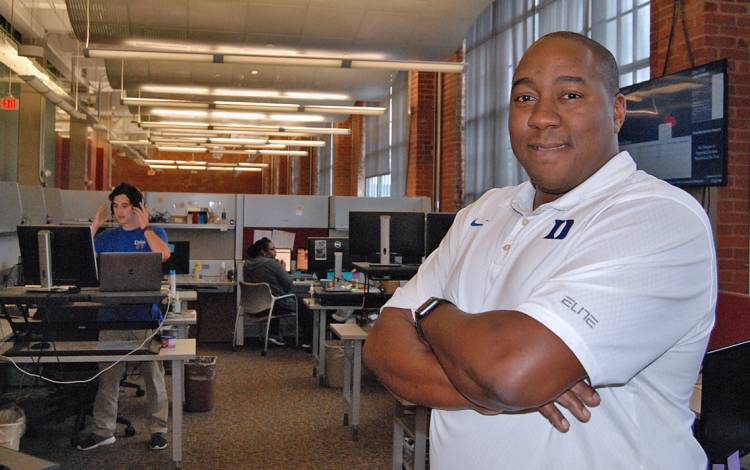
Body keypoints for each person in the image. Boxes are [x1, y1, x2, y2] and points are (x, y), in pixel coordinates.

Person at [363, 31, 716, 470]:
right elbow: (381, 348)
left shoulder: (658, 217)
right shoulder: (485, 211)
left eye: (570, 94)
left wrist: (430, 314)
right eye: (525, 98)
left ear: (618, 111)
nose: (542, 117)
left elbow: (512, 371)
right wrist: (491, 388)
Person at [77, 182, 172, 451]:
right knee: (108, 379)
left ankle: (158, 430)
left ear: (137, 207)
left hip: (145, 317)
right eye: (115, 206)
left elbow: (163, 254)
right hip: (111, 316)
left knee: (153, 378)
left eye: (125, 205)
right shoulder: (107, 237)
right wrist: (93, 227)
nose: (119, 211)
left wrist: (146, 227)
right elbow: (82, 259)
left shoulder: (155, 233)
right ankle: (103, 431)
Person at [243, 237, 312, 348]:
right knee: (305, 304)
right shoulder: (272, 264)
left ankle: (273, 335)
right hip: (273, 306)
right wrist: (282, 269)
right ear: (263, 252)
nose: (275, 252)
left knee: (274, 297)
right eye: (272, 249)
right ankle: (308, 341)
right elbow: (289, 284)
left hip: (253, 306)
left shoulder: (247, 264)